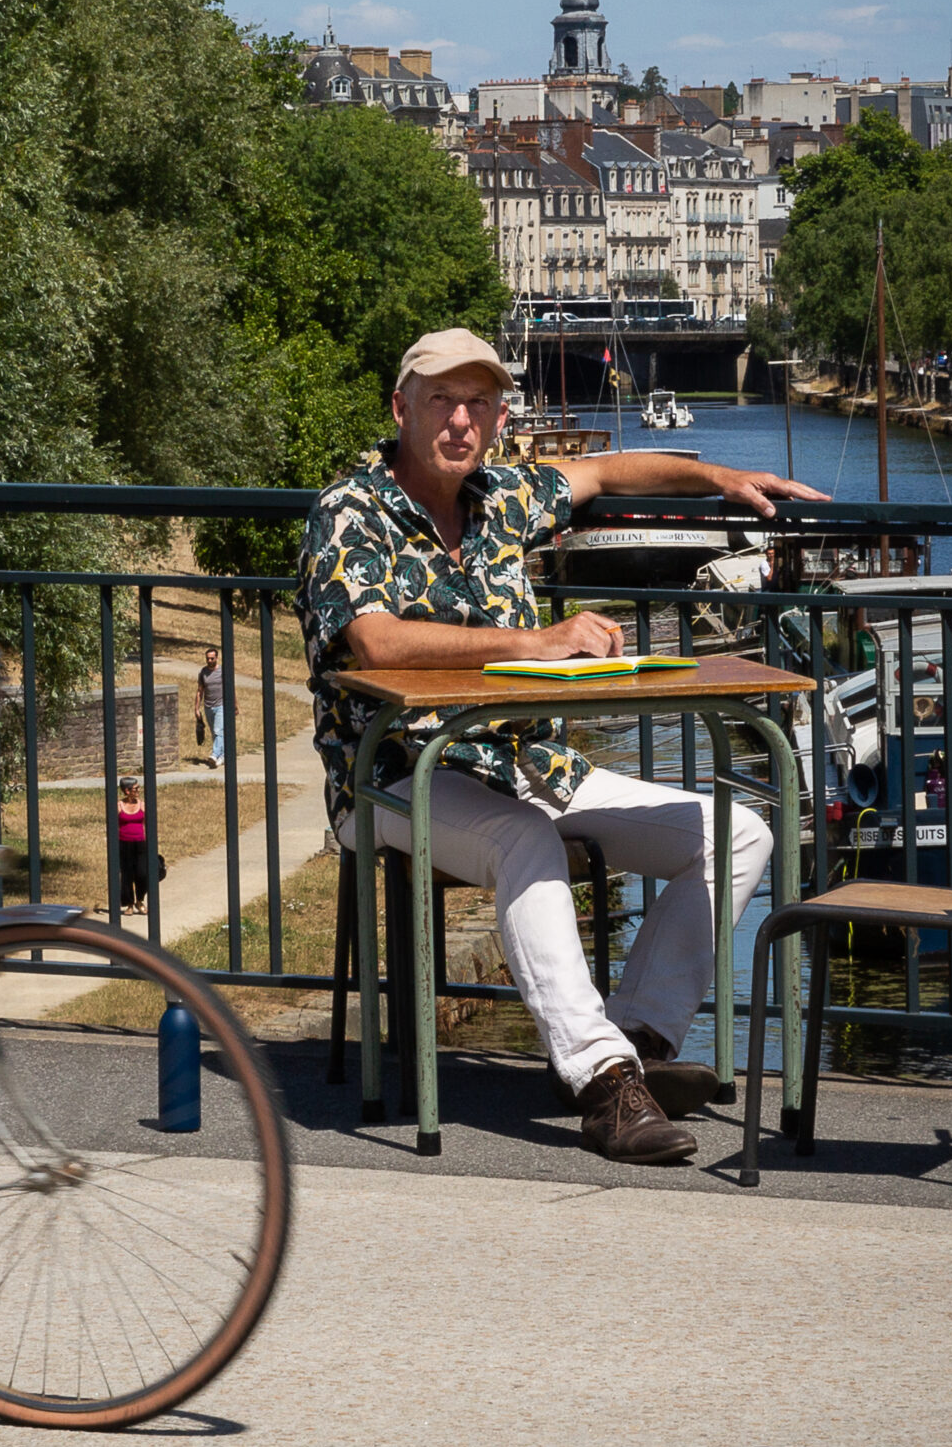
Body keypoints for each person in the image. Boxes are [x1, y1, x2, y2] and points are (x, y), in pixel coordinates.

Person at [296, 328, 825, 1165]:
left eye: (478, 404)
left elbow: (611, 471)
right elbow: (376, 643)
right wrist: (531, 642)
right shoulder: (349, 510)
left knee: (740, 832)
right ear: (401, 409)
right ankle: (602, 1086)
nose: (460, 421)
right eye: (441, 401)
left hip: (529, 765)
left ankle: (635, 1042)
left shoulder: (504, 495)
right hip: (394, 777)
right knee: (525, 840)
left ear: (500, 417)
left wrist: (719, 477)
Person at [116, 777, 150, 913]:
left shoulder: (142, 804)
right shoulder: (119, 805)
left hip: (140, 843)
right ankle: (129, 904)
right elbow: (113, 824)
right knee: (127, 875)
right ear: (127, 790)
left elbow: (148, 824)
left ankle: (140, 900)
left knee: (142, 873)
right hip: (124, 844)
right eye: (135, 788)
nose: (138, 790)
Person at [194, 647, 226, 768]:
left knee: (218, 731)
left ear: (217, 658)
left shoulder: (222, 671)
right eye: (208, 658)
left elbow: (230, 689)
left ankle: (214, 754)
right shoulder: (203, 672)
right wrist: (197, 708)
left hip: (221, 706)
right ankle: (222, 756)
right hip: (208, 707)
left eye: (212, 658)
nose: (210, 660)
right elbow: (199, 691)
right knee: (215, 733)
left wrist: (235, 705)